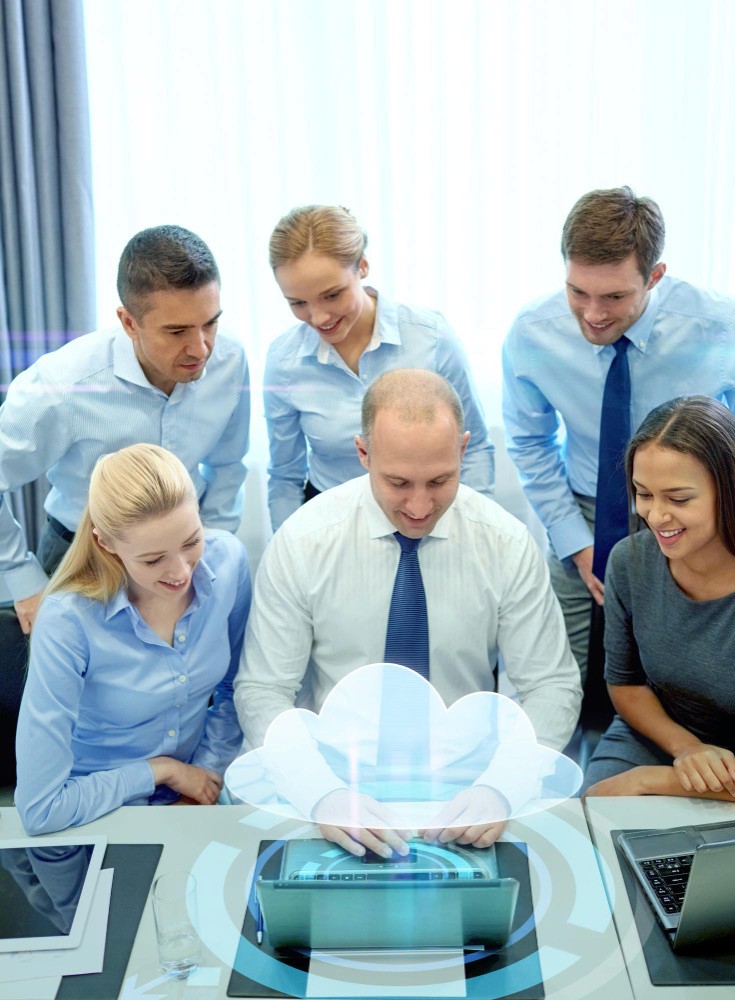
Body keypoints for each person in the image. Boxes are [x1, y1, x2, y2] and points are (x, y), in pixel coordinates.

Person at [235, 368, 581, 854]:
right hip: (333, 781)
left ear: (463, 450)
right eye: (398, 482)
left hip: (467, 791)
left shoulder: (505, 544)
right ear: (362, 453)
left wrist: (502, 786)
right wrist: (319, 792)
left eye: (440, 480)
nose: (419, 506)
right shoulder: (303, 542)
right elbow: (263, 690)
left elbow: (552, 685)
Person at [502, 186, 735, 679]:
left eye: (614, 296)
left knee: (681, 672)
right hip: (586, 514)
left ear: (655, 276)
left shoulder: (724, 327)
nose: (592, 314)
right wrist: (576, 542)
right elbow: (529, 441)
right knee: (564, 672)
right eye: (577, 292)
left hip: (702, 516)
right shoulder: (532, 333)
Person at [0, 224, 250, 634]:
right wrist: (23, 581)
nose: (201, 348)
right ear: (129, 322)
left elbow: (228, 465)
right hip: (85, 560)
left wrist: (208, 552)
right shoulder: (61, 386)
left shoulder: (231, 361)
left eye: (210, 323)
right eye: (177, 331)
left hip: (183, 556)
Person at [15, 444, 251, 835]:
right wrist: (160, 773)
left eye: (192, 541)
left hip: (195, 797)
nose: (180, 572)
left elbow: (235, 688)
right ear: (105, 543)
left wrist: (202, 775)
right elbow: (41, 810)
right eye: (153, 559)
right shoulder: (67, 619)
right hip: (94, 813)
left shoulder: (229, 562)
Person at [583, 396, 735, 801]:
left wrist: (654, 780)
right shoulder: (630, 561)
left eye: (678, 498)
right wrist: (686, 749)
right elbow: (626, 685)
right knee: (589, 828)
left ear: (732, 491)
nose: (655, 516)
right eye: (644, 494)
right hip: (655, 736)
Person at [264, 205, 494, 531]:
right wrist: (287, 549)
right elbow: (285, 476)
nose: (318, 317)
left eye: (332, 295)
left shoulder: (431, 337)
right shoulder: (285, 362)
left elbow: (475, 448)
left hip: (430, 515)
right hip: (331, 524)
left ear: (363, 267)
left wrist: (472, 531)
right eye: (298, 303)